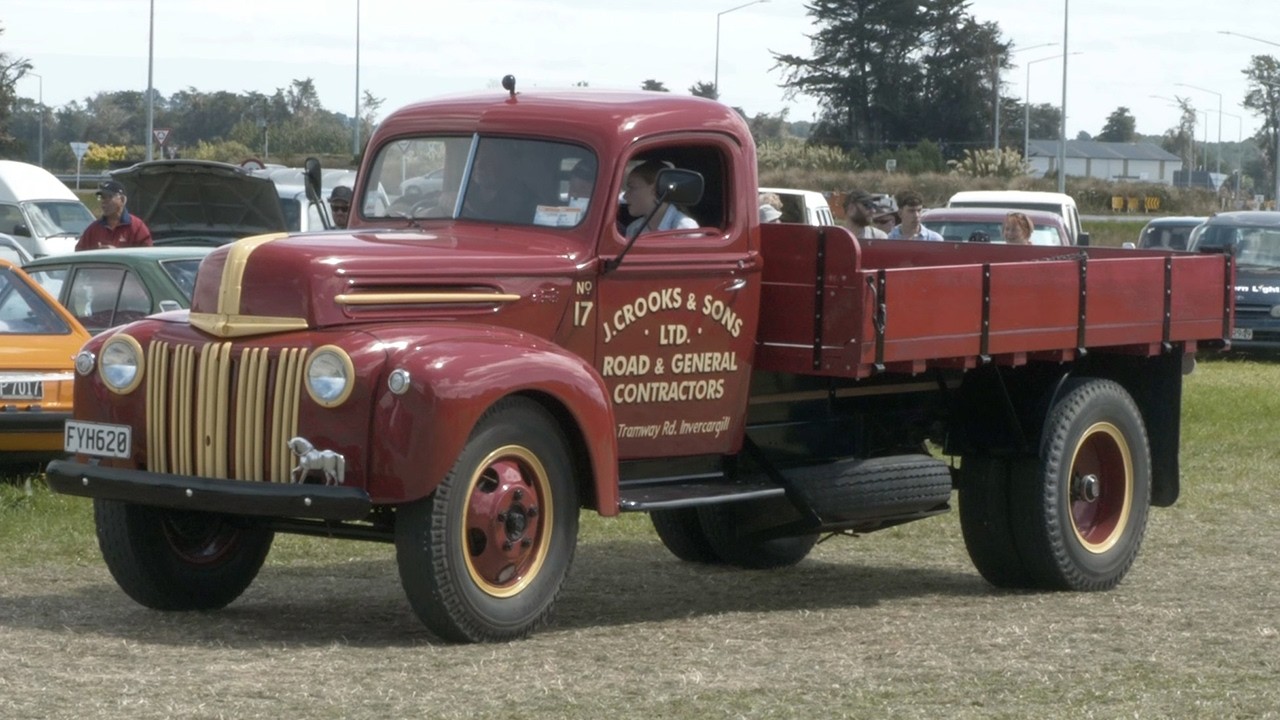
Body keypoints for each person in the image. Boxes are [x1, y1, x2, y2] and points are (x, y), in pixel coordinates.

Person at [622, 160, 698, 237]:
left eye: (631, 187)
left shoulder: (686, 230)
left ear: (655, 190)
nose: (625, 196)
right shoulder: (633, 229)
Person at [75, 180, 152, 251]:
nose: (104, 202)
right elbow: (78, 254)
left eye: (108, 197)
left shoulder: (137, 227)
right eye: (102, 198)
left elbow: (146, 256)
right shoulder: (93, 229)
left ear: (122, 200)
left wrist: (116, 254)